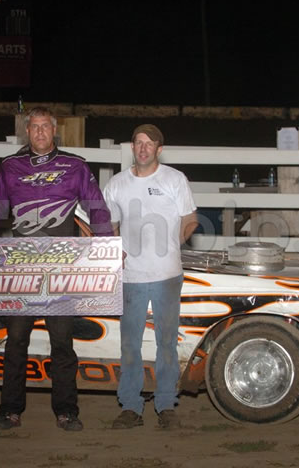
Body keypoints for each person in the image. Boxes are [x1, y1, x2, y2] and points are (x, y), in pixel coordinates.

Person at [0, 106, 113, 431]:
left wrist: (106, 245)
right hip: (22, 268)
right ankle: (9, 411)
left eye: (45, 126)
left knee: (62, 342)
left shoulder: (75, 166)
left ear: (54, 131)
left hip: (61, 268)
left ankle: (66, 411)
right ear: (27, 131)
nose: (39, 132)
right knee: (16, 340)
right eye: (34, 127)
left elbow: (96, 206)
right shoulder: (10, 167)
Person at [103, 124, 198, 430]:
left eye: (149, 143)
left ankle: (166, 404)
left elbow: (190, 219)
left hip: (166, 275)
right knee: (129, 344)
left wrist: (172, 245)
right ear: (132, 147)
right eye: (138, 142)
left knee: (166, 342)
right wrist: (114, 250)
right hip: (130, 277)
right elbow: (110, 226)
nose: (143, 148)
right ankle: (131, 406)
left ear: (159, 148)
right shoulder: (116, 185)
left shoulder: (174, 179)